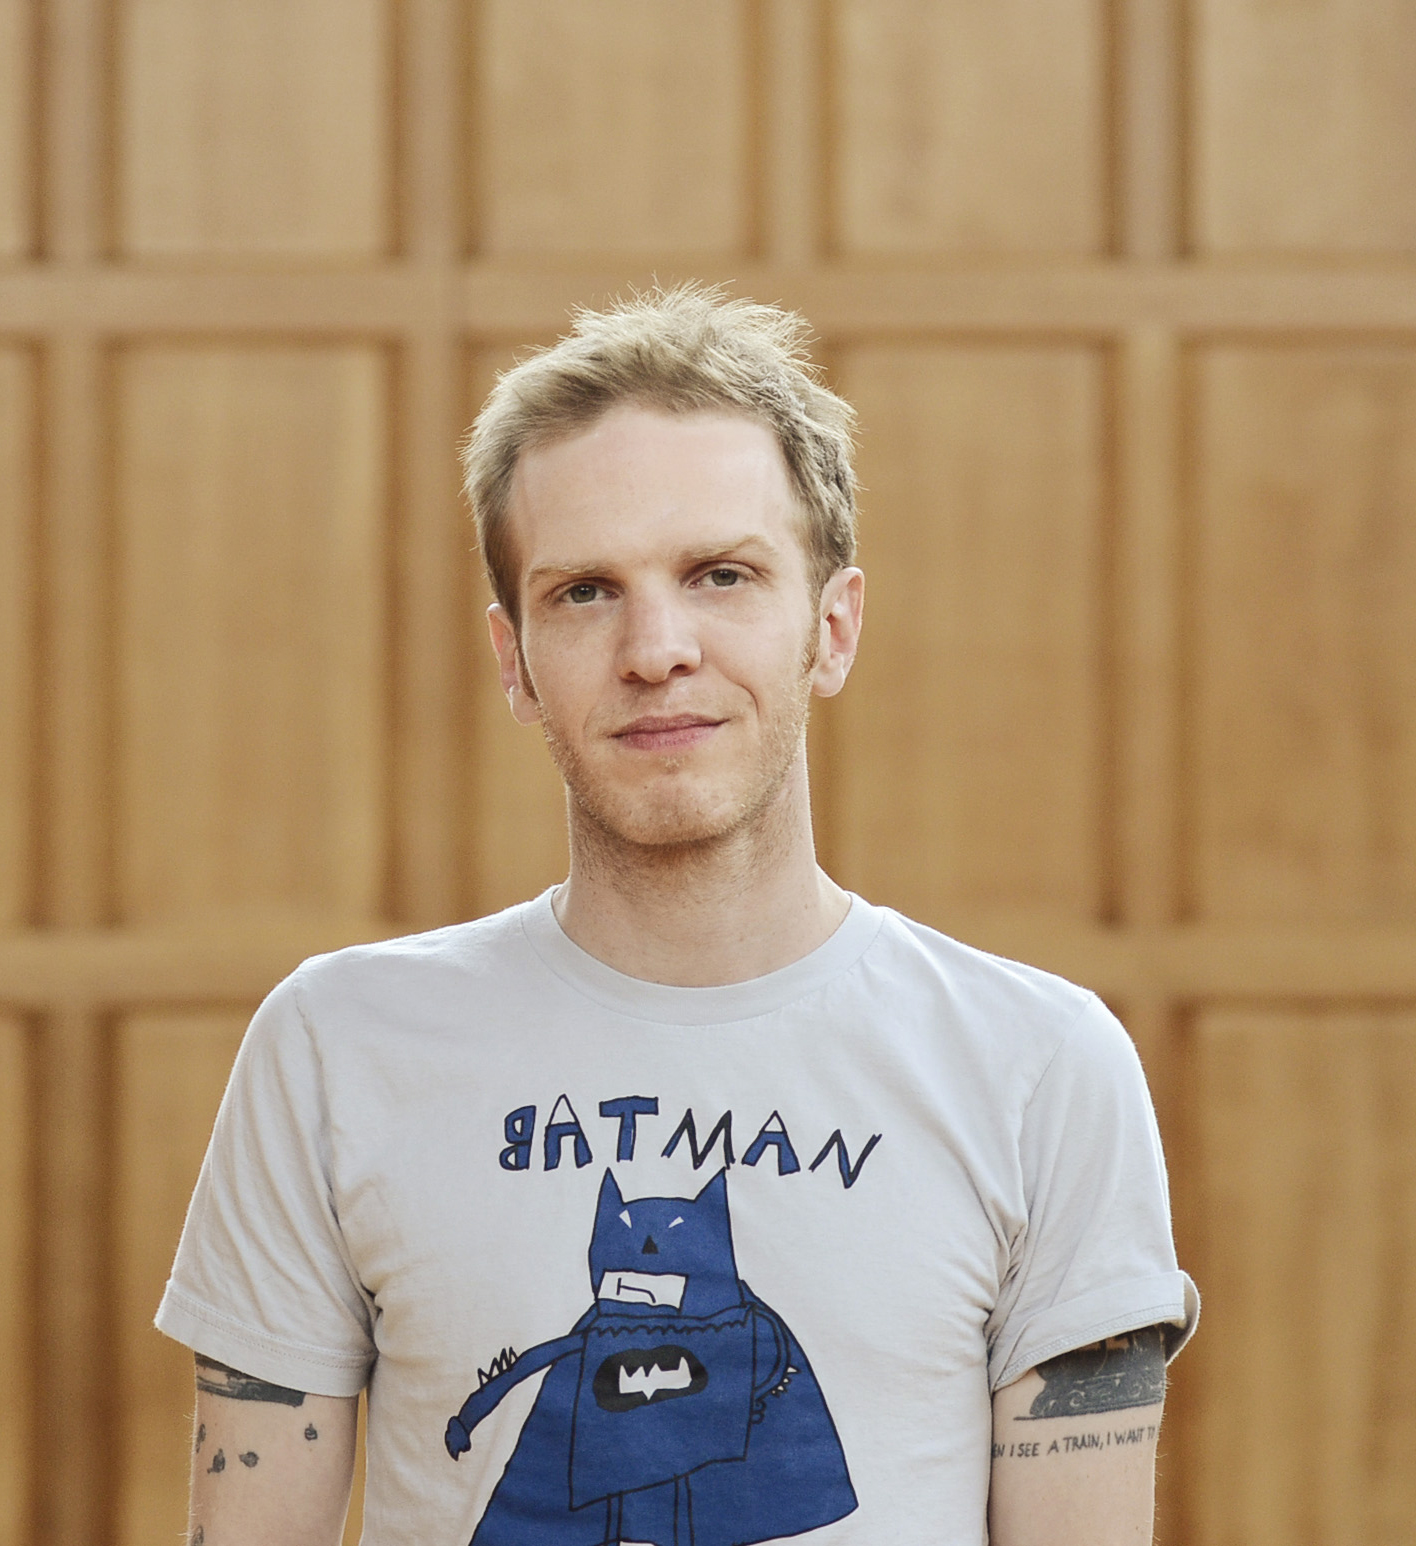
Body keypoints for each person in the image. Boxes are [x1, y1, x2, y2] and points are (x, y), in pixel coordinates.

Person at [158, 285, 1197, 1546]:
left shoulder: (1042, 1065)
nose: (657, 647)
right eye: (586, 591)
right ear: (514, 660)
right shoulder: (334, 1044)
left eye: (721, 574)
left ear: (831, 625)